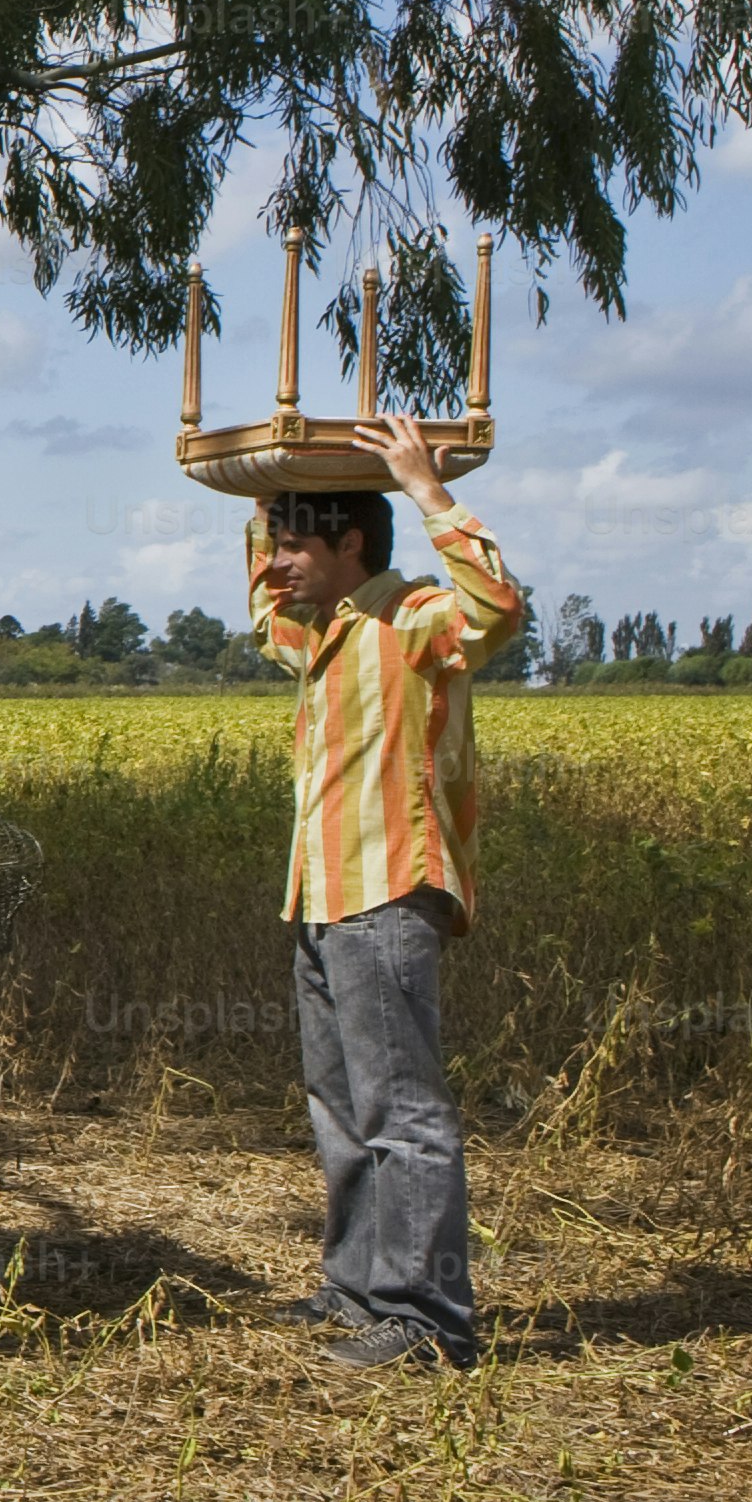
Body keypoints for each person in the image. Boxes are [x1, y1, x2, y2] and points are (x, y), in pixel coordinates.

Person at [253, 412, 523, 1371]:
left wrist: (424, 488)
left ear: (351, 546)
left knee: (402, 1113)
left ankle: (427, 1318)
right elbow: (264, 610)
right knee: (340, 1106)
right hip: (321, 895)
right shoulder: (316, 632)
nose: (274, 564)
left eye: (293, 545)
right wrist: (265, 484)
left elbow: (497, 609)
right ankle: (359, 1287)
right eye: (274, 543)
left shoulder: (414, 620)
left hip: (385, 889)